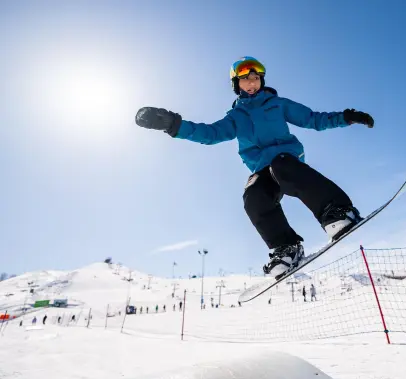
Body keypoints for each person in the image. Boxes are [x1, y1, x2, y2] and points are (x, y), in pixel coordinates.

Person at [135, 56, 374, 278]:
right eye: (245, 79)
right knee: (253, 195)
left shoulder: (277, 104)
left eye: (256, 78)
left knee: (282, 166)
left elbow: (313, 119)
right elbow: (210, 134)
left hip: (286, 159)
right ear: (236, 84)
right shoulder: (235, 117)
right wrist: (174, 125)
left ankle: (338, 211)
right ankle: (286, 248)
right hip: (261, 168)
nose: (251, 83)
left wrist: (347, 117)